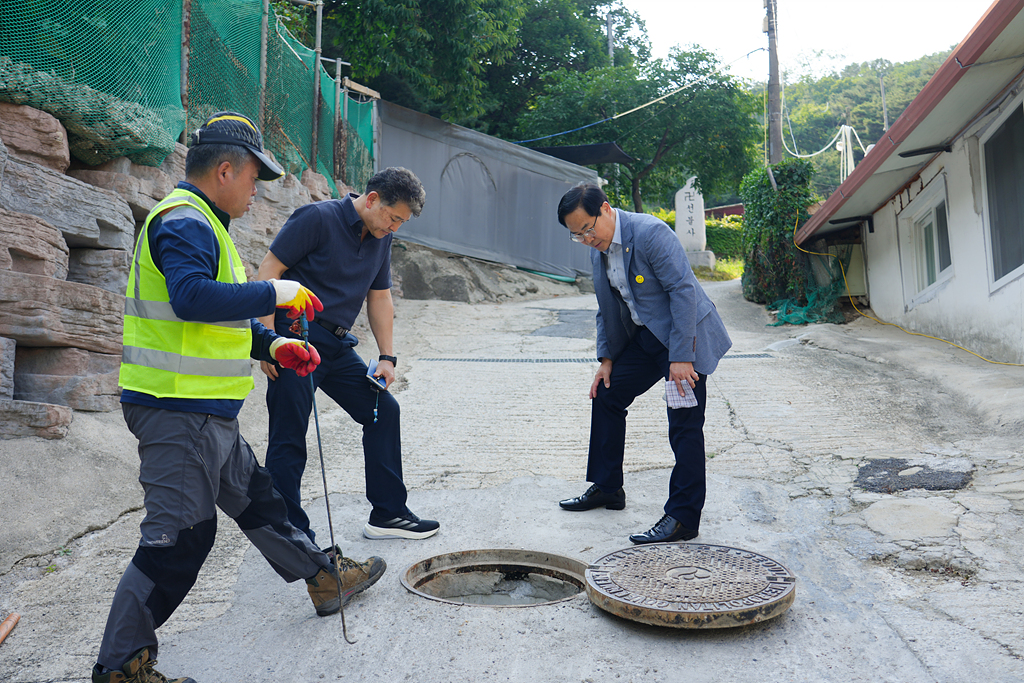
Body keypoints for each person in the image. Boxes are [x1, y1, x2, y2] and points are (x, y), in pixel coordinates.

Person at [93, 112, 385, 683]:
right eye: (254, 179)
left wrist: (271, 343)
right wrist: (280, 290)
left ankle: (325, 578)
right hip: (178, 412)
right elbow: (193, 299)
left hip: (207, 413)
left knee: (261, 501)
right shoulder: (184, 222)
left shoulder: (205, 224)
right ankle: (120, 666)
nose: (257, 191)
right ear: (224, 170)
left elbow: (213, 319)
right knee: (178, 542)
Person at [257, 167, 439, 543]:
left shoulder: (380, 237)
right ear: (372, 200)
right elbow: (269, 269)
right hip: (297, 338)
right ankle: (287, 533)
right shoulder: (317, 218)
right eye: (393, 218)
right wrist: (268, 342)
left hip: (338, 346)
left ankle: (388, 514)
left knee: (383, 410)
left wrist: (388, 356)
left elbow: (380, 297)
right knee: (290, 435)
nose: (395, 228)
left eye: (402, 222)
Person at [555, 183, 732, 544]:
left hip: (684, 337)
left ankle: (683, 517)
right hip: (648, 337)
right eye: (577, 236)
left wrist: (682, 357)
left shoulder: (650, 233)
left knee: (683, 422)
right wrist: (606, 360)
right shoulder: (597, 251)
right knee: (607, 394)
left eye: (588, 229)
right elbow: (607, 310)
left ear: (605, 209)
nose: (586, 239)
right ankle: (607, 487)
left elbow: (683, 291)